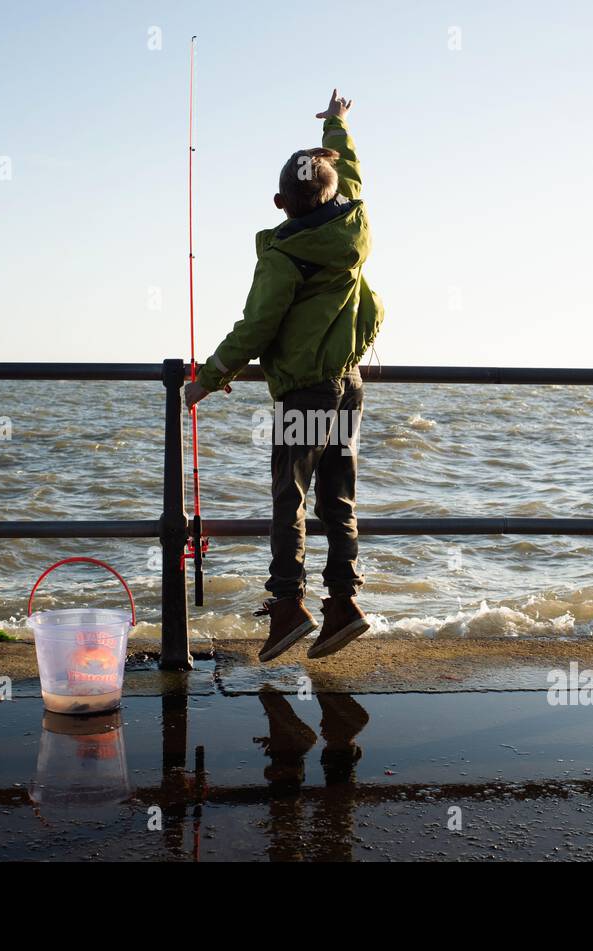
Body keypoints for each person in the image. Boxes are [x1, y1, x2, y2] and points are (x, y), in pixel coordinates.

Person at [185, 88, 383, 662]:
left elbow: (257, 328)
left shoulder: (283, 255)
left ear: (278, 200)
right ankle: (344, 607)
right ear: (333, 194)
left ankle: (288, 608)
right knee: (339, 500)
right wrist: (338, 128)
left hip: (304, 393)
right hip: (348, 386)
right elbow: (350, 174)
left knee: (287, 500)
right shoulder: (354, 224)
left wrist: (209, 377)